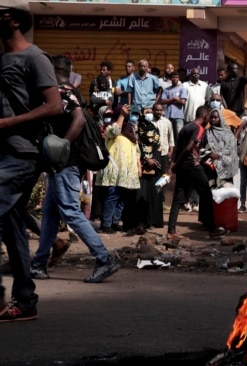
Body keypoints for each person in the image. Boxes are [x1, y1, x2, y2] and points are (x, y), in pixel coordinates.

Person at [30, 55, 120, 283]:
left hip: (66, 163)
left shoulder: (61, 92)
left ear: (52, 70)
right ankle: (39, 264)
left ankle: (103, 258)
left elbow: (78, 120)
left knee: (70, 211)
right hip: (60, 164)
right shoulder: (70, 90)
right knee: (50, 213)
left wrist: (62, 146)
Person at [0, 0, 63, 322]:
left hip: (21, 153)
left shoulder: (34, 56)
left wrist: (9, 123)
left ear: (11, 20)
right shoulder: (2, 58)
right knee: (11, 228)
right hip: (4, 151)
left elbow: (55, 105)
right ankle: (24, 301)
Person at [167, 106, 221, 240]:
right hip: (192, 166)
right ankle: (212, 230)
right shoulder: (198, 128)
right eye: (209, 116)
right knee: (206, 195)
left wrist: (173, 165)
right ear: (205, 116)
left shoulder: (185, 128)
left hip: (182, 168)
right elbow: (188, 147)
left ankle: (171, 231)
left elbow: (178, 148)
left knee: (178, 199)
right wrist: (177, 163)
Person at [95, 105, 141, 234]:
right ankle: (106, 224)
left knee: (122, 198)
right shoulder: (110, 127)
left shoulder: (130, 130)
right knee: (112, 196)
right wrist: (121, 115)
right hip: (115, 169)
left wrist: (139, 166)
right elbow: (115, 131)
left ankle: (115, 222)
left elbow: (137, 150)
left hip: (127, 171)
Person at [160, 70, 187, 142]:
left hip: (179, 116)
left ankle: (179, 152)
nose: (175, 79)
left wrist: (170, 100)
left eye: (176, 77)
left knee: (179, 135)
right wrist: (174, 99)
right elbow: (162, 101)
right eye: (173, 77)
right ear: (170, 78)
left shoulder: (182, 89)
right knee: (169, 135)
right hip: (168, 115)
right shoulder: (166, 90)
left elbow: (183, 102)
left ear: (179, 78)